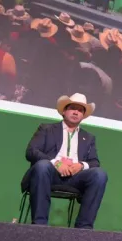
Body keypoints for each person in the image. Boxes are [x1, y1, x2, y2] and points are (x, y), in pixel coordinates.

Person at [20, 93, 108, 228]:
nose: (76, 112)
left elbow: (94, 162)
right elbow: (32, 151)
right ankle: (39, 225)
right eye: (73, 108)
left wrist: (81, 165)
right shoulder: (46, 129)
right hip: (49, 174)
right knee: (43, 166)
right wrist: (57, 163)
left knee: (100, 174)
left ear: (83, 115)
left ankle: (84, 229)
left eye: (80, 110)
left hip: (75, 177)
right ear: (64, 111)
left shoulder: (88, 137)